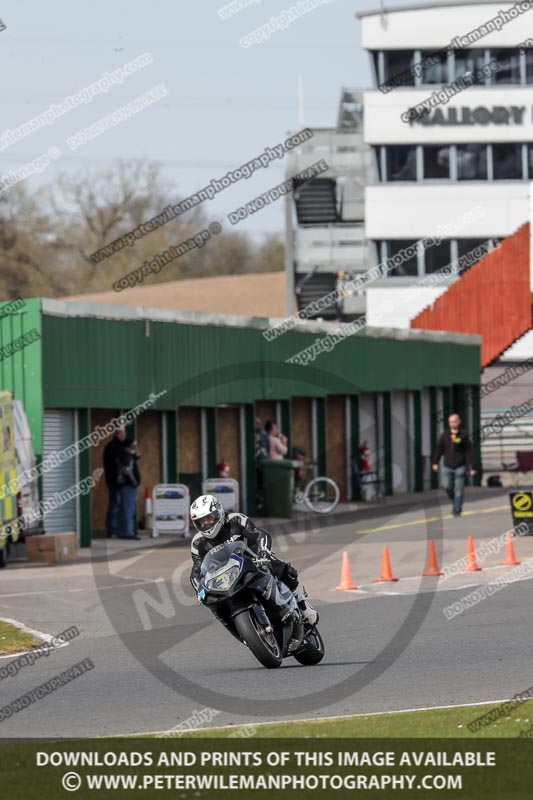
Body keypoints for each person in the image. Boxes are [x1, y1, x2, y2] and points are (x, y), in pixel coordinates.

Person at [188, 495, 317, 624]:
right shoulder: (198, 542)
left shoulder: (236, 520)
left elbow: (260, 534)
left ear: (218, 513)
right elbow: (196, 571)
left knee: (280, 567)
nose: (205, 524)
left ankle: (303, 605)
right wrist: (200, 589)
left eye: (208, 518)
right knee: (214, 602)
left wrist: (263, 552)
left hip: (254, 560)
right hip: (226, 576)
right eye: (201, 521)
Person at [432, 413, 476, 517]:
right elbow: (439, 449)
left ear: (458, 422)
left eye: (454, 421)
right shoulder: (445, 435)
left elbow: (470, 451)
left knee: (458, 490)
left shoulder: (463, 435)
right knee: (446, 486)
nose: (452, 424)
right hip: (447, 466)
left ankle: (457, 508)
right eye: (450, 422)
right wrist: (435, 462)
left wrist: (473, 466)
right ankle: (455, 502)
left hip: (460, 466)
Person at [103, 426, 126, 538]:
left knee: (120, 504)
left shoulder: (123, 446)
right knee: (115, 503)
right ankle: (112, 529)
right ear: (116, 434)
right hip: (114, 481)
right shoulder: (112, 447)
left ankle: (119, 528)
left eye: (123, 433)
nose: (122, 435)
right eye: (120, 433)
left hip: (121, 482)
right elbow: (110, 465)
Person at [116, 438, 141, 539]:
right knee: (128, 510)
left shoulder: (125, 456)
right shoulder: (126, 456)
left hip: (124, 485)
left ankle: (123, 531)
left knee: (124, 509)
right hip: (128, 486)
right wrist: (134, 482)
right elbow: (127, 471)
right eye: (133, 446)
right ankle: (128, 532)